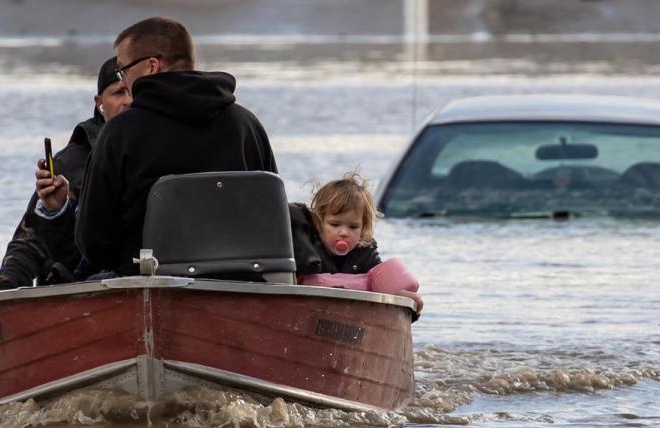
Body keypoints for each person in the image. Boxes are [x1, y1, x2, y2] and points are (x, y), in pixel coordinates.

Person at [75, 17, 277, 276]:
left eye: (123, 69)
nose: (123, 81)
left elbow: (93, 242)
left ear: (151, 66)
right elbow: (272, 217)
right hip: (239, 285)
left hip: (148, 287)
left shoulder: (120, 133)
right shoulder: (246, 125)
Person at [0, 57, 131, 290]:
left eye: (133, 91)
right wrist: (8, 288)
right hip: (83, 288)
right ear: (100, 103)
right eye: (118, 93)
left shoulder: (165, 148)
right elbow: (29, 243)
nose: (128, 101)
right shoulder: (70, 164)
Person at [290, 171, 424, 312]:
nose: (343, 233)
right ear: (319, 223)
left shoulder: (366, 254)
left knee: (412, 298)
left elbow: (382, 288)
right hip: (310, 311)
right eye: (334, 225)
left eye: (353, 227)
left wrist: (401, 300)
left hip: (351, 319)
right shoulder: (306, 252)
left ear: (363, 228)